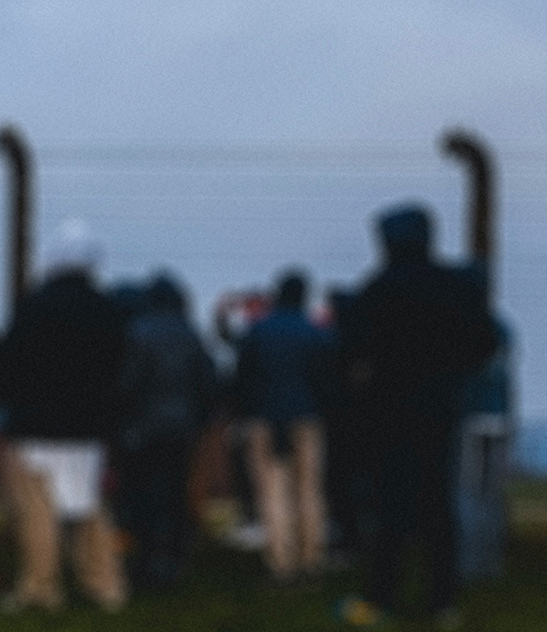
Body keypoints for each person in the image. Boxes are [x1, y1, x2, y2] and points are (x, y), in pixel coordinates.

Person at [335, 206, 499, 629]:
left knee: (391, 507)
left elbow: (349, 349)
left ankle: (380, 598)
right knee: (438, 505)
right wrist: (453, 373)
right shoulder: (455, 287)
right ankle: (443, 601)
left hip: (388, 411)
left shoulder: (377, 288)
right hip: (442, 408)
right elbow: (486, 341)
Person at [0, 223, 129, 613]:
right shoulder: (107, 310)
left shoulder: (34, 305)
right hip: (88, 427)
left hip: (36, 427)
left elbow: (9, 363)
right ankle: (104, 585)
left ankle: (41, 588)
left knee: (38, 511)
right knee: (89, 507)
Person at [116, 273, 219, 589]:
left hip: (144, 430)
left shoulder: (138, 332)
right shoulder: (191, 333)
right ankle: (174, 558)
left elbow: (128, 384)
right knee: (176, 494)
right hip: (183, 428)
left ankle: (145, 561)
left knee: (144, 496)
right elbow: (207, 381)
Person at [231, 269, 334, 583]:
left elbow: (243, 377)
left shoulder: (258, 330)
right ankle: (311, 558)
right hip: (307, 418)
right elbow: (326, 379)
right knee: (310, 490)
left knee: (273, 492)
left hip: (265, 419)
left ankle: (282, 563)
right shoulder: (316, 332)